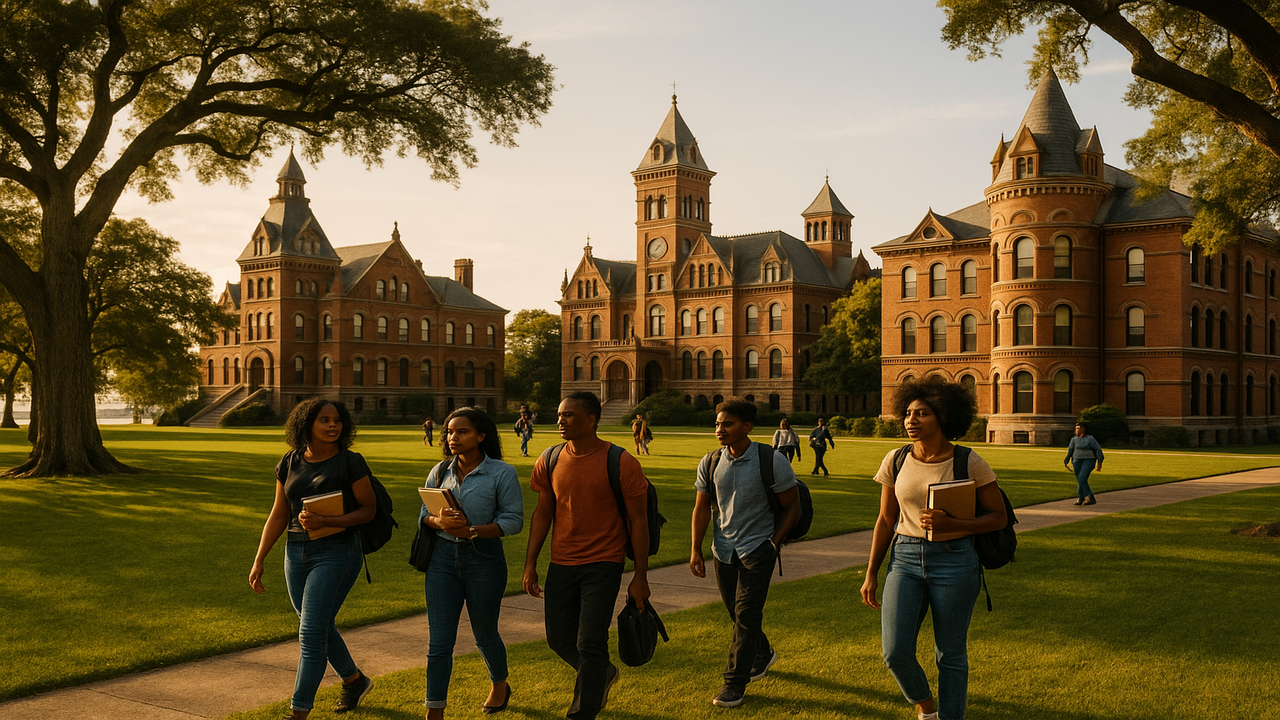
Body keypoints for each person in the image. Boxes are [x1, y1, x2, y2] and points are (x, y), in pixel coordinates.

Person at [860, 377, 1007, 720]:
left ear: (942, 417)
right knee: (895, 652)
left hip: (955, 561)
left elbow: (998, 517)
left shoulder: (968, 461)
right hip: (905, 559)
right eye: (908, 414)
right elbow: (885, 520)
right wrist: (871, 573)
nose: (911, 420)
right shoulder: (895, 460)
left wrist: (954, 525)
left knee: (950, 653)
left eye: (922, 413)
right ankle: (927, 707)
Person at [524, 391, 652, 720]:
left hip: (603, 563)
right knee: (558, 639)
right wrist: (530, 564)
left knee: (590, 641)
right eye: (559, 414)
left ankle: (582, 712)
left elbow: (639, 521)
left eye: (568, 415)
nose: (560, 421)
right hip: (561, 562)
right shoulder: (550, 458)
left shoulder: (621, 461)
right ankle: (602, 673)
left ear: (592, 420)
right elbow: (542, 514)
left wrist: (640, 576)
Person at [249, 399, 377, 720]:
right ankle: (354, 680)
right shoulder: (289, 462)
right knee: (316, 627)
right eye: (325, 420)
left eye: (337, 420)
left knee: (309, 635)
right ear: (306, 425)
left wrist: (328, 522)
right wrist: (259, 558)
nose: (333, 425)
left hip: (338, 551)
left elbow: (368, 510)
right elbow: (280, 513)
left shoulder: (350, 463)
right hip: (296, 552)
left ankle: (299, 712)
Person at [691, 400, 801, 708]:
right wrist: (695, 549)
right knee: (736, 614)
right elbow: (701, 508)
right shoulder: (710, 462)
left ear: (747, 427)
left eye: (727, 424)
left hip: (758, 548)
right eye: (717, 424)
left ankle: (734, 684)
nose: (719, 429)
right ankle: (763, 653)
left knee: (747, 615)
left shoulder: (771, 460)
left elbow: (793, 506)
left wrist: (773, 543)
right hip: (723, 550)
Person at [420, 407, 524, 718]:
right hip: (441, 561)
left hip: (484, 560)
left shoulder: (501, 473)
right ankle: (434, 711)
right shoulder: (440, 471)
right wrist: (441, 522)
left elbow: (513, 520)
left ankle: (500, 683)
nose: (453, 437)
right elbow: (424, 516)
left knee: (484, 634)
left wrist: (472, 530)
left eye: (462, 431)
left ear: (481, 436)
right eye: (450, 431)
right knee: (439, 641)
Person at [1064, 422, 1104, 506]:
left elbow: (1098, 449)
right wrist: (1066, 460)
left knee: (1082, 479)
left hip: (1088, 460)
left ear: (1084, 429)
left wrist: (1099, 461)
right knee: (1080, 481)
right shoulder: (1074, 439)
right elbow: (1070, 450)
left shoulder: (1090, 439)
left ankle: (1088, 497)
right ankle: (1082, 498)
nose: (1077, 430)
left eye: (1080, 428)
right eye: (1076, 428)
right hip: (1076, 461)